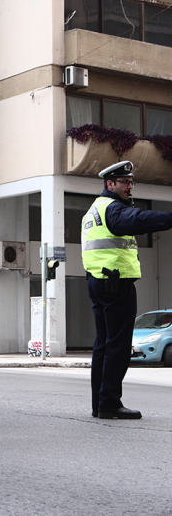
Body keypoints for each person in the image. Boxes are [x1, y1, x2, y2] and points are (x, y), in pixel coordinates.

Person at [81, 160, 172, 420]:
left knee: (103, 345)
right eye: (125, 182)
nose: (130, 187)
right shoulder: (114, 209)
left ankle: (100, 404)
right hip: (115, 284)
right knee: (118, 346)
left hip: (98, 282)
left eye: (131, 183)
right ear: (110, 184)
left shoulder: (94, 211)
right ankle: (110, 403)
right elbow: (140, 219)